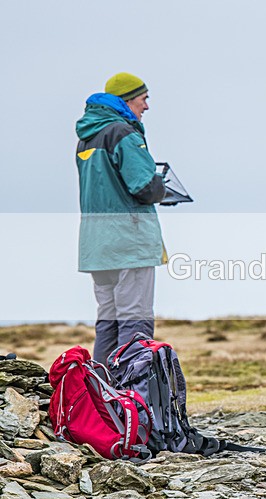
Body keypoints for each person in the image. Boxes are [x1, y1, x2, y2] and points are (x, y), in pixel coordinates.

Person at [75, 73, 166, 362]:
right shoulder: (124, 133)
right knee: (134, 321)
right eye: (144, 99)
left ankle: (104, 396)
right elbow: (143, 186)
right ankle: (132, 397)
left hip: (97, 246)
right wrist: (160, 186)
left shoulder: (86, 137)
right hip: (129, 242)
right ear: (127, 100)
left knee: (107, 323)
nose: (147, 106)